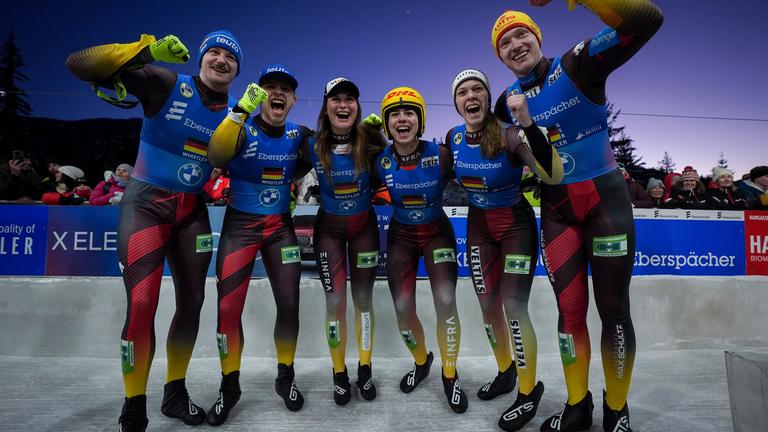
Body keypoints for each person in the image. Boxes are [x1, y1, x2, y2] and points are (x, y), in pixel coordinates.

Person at [491, 2, 663, 431]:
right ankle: (577, 405)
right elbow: (548, 170)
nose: (515, 45)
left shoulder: (574, 64)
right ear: (500, 57)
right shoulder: (507, 105)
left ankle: (617, 409)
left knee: (614, 311)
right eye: (504, 43)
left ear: (537, 36)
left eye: (521, 34)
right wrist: (523, 125)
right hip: (559, 212)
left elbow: (647, 21)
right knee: (569, 316)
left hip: (605, 201)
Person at [66, 29, 242, 431]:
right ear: (199, 60)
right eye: (213, 52)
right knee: (142, 303)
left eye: (230, 57)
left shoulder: (236, 113)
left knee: (192, 302)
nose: (221, 60)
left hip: (192, 212)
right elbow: (78, 64)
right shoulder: (166, 82)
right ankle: (133, 406)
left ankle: (174, 395)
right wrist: (143, 51)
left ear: (237, 70)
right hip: (146, 204)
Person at [447, 68, 563, 431]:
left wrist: (527, 123)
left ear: (487, 97)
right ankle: (506, 372)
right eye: (463, 92)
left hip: (515, 225)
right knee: (486, 306)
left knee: (513, 307)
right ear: (456, 103)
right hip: (479, 228)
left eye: (477, 90)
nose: (470, 97)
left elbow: (551, 173)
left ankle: (529, 392)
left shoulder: (510, 135)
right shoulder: (452, 138)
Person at [205, 64, 313, 425]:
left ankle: (286, 377)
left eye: (286, 89)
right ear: (258, 94)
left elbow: (331, 152)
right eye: (270, 88)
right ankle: (229, 386)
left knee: (290, 303)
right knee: (228, 308)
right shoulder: (241, 126)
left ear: (294, 99)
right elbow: (216, 157)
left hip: (281, 229)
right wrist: (238, 114)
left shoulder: (300, 134)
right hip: (240, 228)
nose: (277, 94)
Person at [375, 86, 468, 413]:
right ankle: (422, 360)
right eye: (395, 114)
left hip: (437, 234)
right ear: (387, 125)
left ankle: (449, 373)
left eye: (410, 112)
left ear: (420, 120)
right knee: (402, 307)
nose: (403, 119)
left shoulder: (441, 154)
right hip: (401, 236)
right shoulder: (380, 159)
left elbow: (473, 171)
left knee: (445, 301)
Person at [303, 77, 387, 405]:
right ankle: (339, 373)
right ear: (326, 107)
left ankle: (364, 368)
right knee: (335, 303)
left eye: (350, 99)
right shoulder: (310, 143)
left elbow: (398, 163)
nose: (343, 104)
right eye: (336, 99)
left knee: (363, 301)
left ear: (357, 106)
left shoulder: (371, 139)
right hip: (330, 232)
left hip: (364, 228)